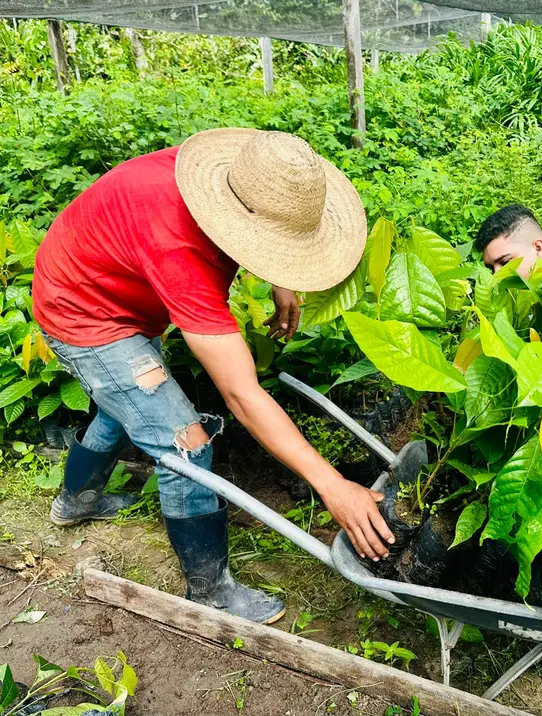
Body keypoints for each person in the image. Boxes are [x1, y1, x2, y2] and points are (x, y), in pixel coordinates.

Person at [33, 128, 395, 625]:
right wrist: (333, 486)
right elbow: (242, 395)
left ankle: (76, 501)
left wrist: (280, 276)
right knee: (185, 441)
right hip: (84, 315)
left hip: (120, 290)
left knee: (124, 409)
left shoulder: (230, 175)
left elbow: (258, 220)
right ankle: (211, 591)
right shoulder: (178, 249)